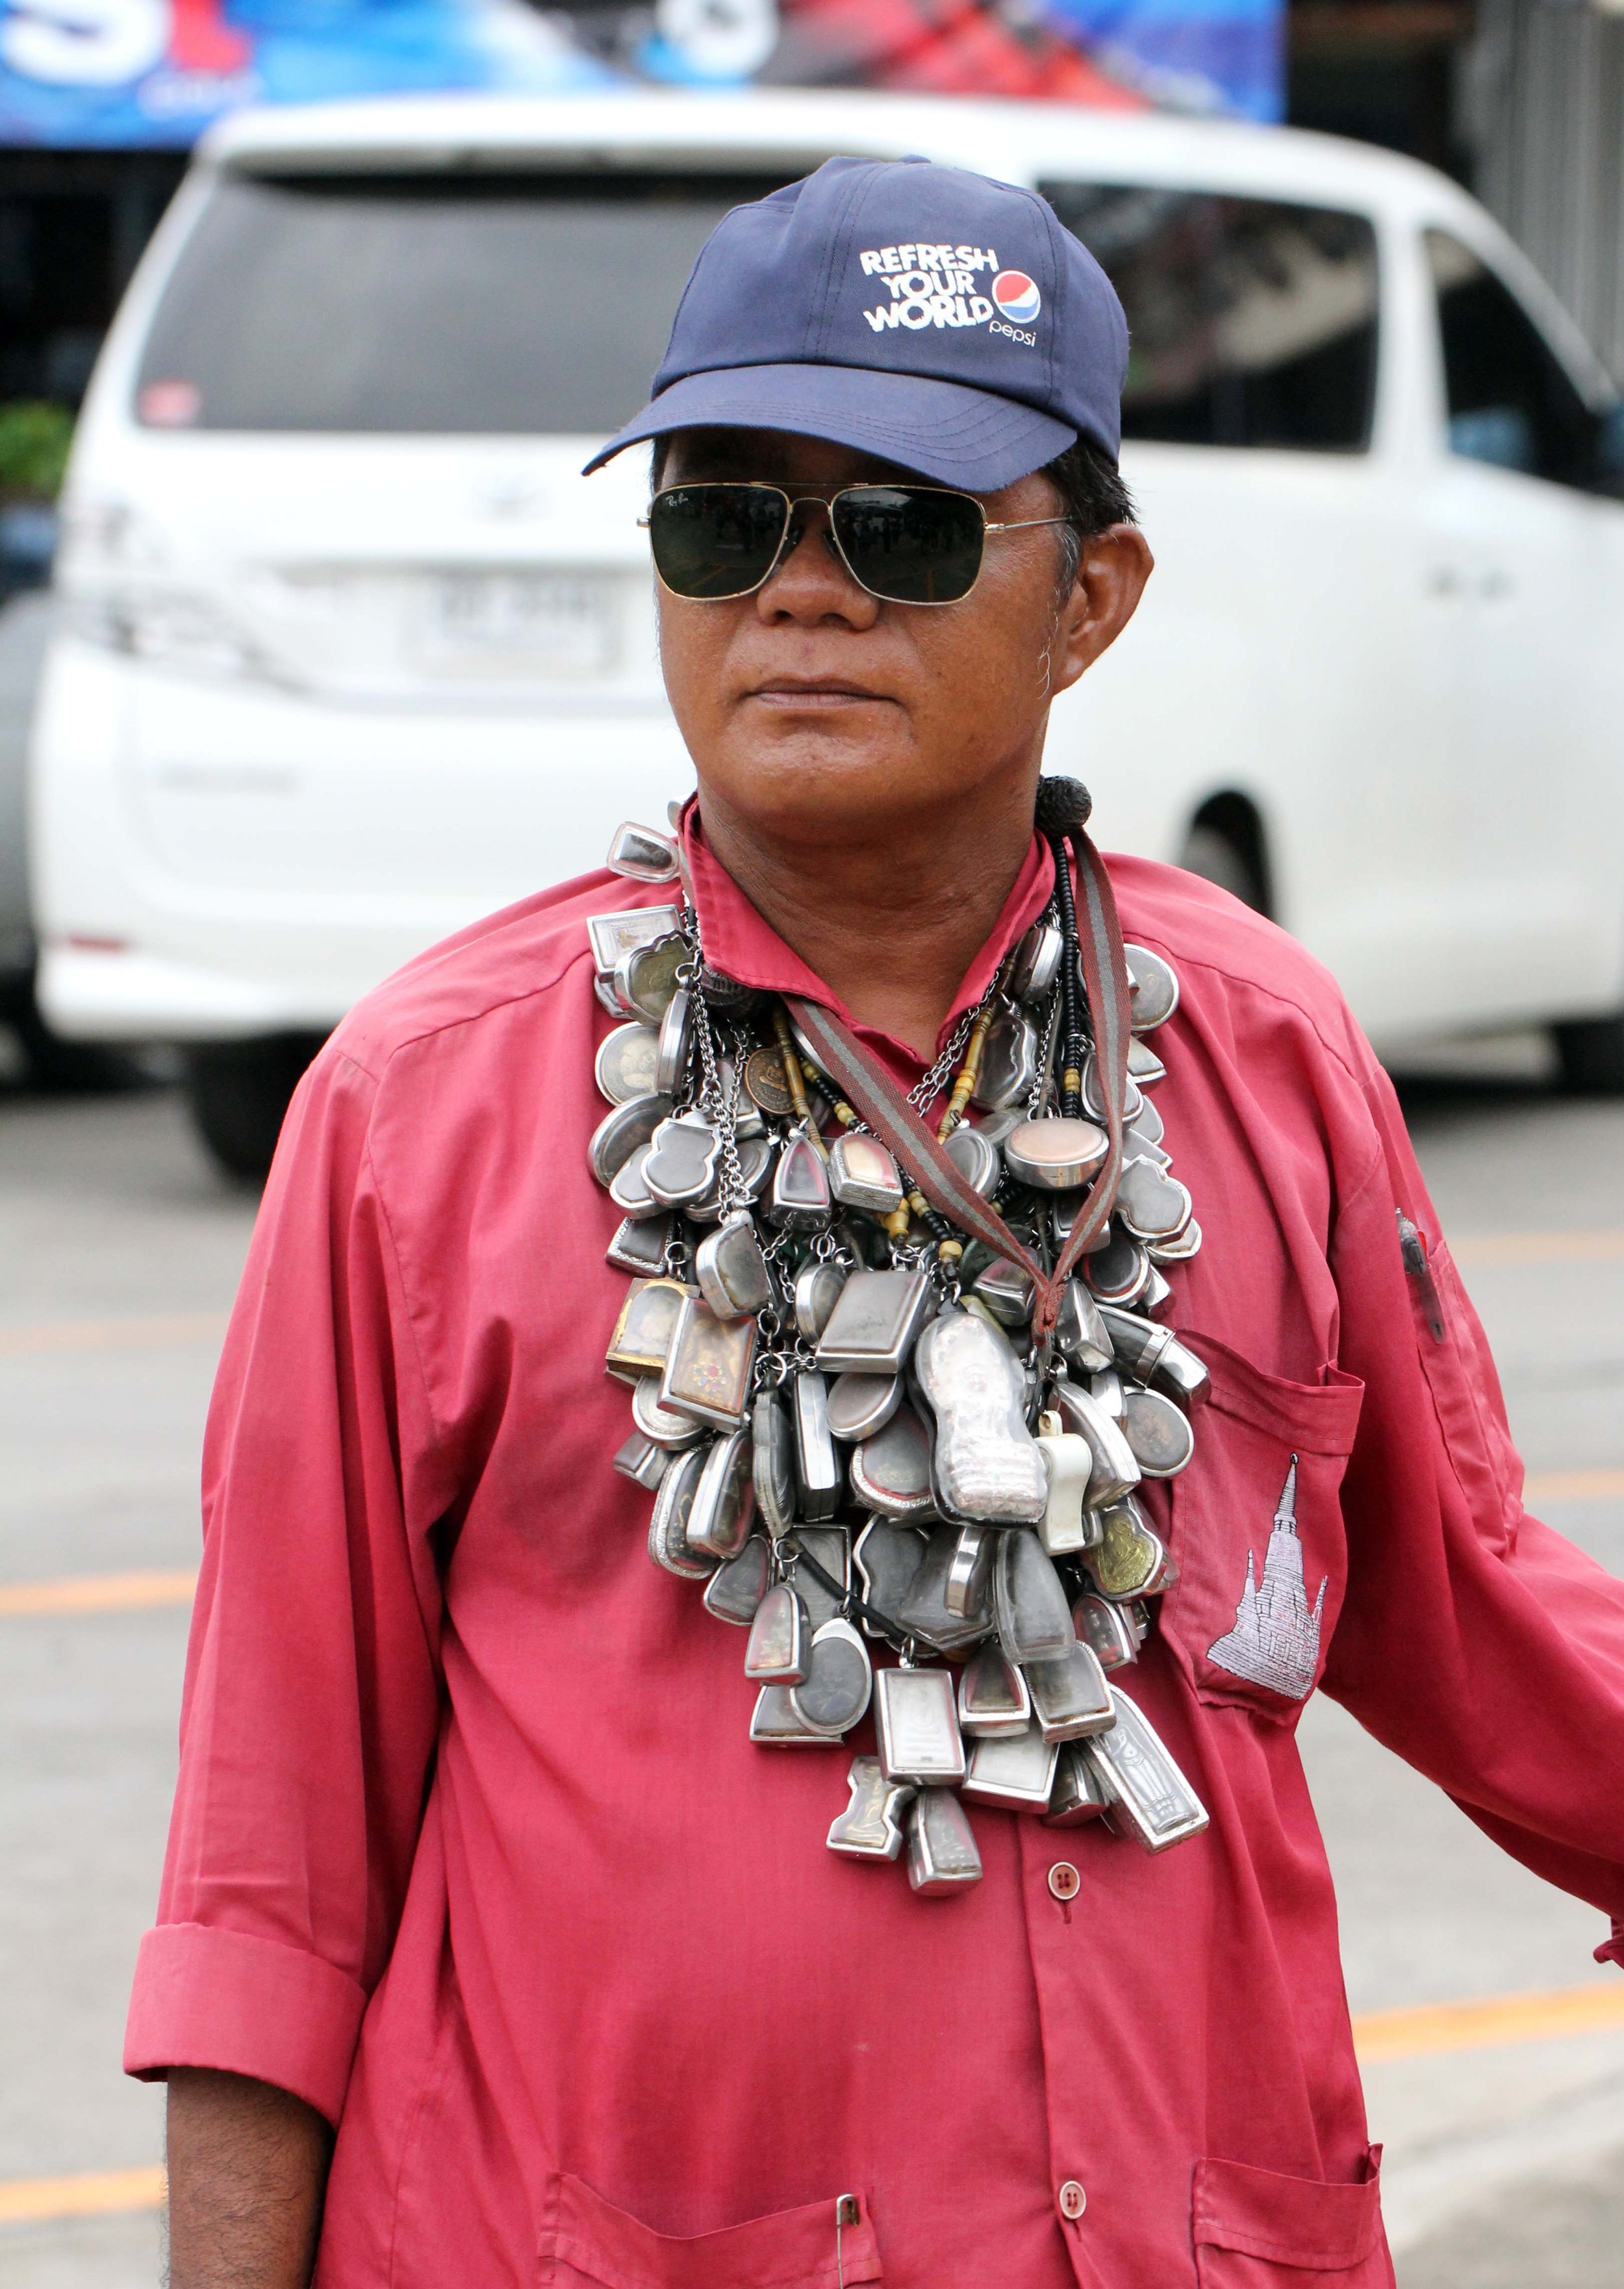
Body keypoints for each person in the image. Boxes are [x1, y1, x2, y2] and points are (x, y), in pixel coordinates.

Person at [127, 156, 1624, 2289]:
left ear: (1089, 599)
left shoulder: (1266, 1049)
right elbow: (270, 1865)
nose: (798, 596)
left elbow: (1466, 1596)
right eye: (722, 521)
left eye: (901, 528)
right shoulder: (416, 1104)